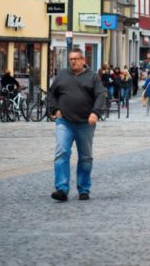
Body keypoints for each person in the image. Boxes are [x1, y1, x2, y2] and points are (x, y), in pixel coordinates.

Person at [49, 48, 107, 202]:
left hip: (85, 123)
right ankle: (61, 189)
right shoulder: (62, 75)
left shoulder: (93, 77)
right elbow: (51, 94)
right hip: (64, 122)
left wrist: (95, 112)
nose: (73, 61)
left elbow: (101, 95)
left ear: (83, 60)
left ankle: (84, 189)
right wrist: (55, 109)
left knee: (86, 157)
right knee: (61, 153)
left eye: (76, 59)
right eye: (70, 59)